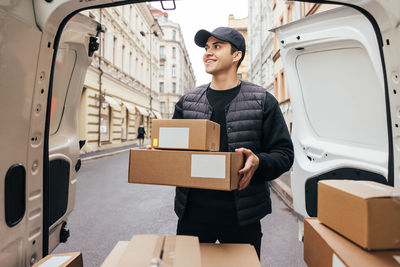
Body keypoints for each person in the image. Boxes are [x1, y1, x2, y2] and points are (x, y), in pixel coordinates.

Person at [172, 27, 294, 258]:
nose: (208, 52)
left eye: (217, 46)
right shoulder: (187, 102)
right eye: (206, 48)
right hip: (193, 215)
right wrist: (158, 153)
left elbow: (285, 154)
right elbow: (172, 150)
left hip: (242, 217)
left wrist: (259, 161)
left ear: (236, 55)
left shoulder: (262, 101)